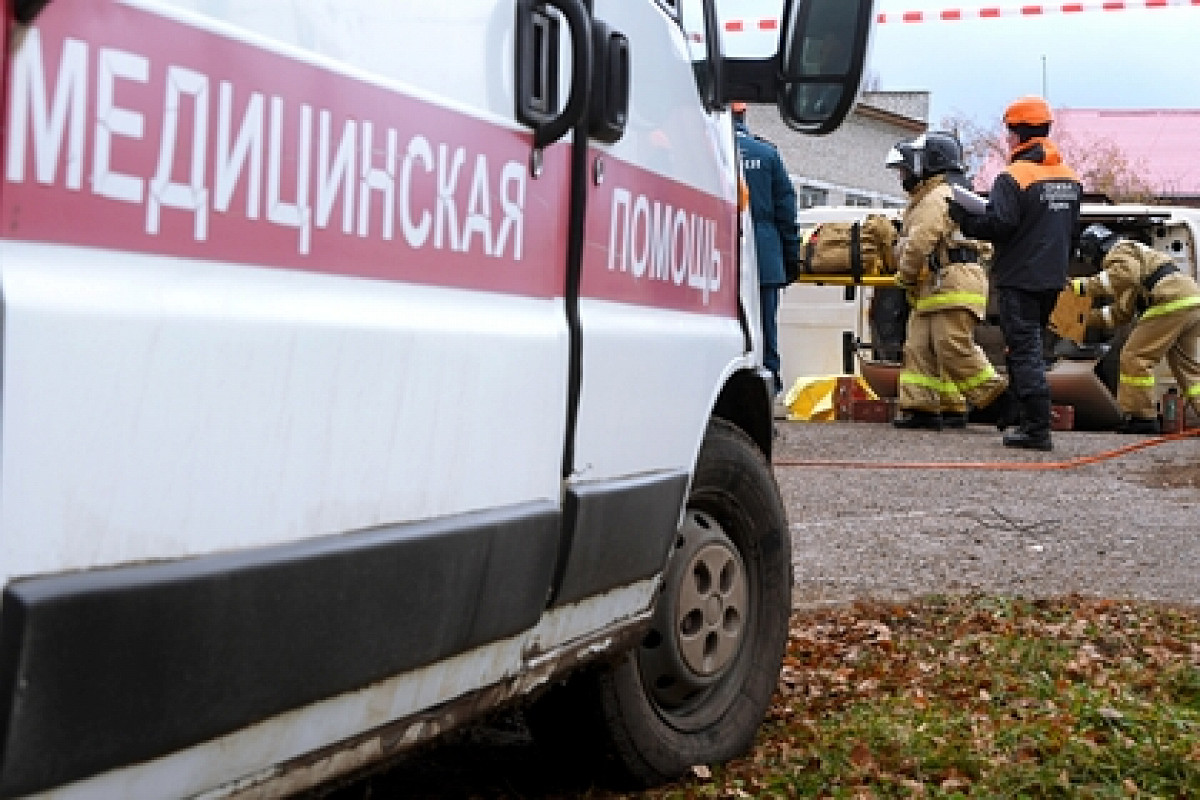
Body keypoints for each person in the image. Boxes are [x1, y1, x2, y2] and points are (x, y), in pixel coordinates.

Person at [949, 95, 1081, 451]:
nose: (1007, 139)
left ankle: (1036, 429)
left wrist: (965, 220)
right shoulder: (1070, 179)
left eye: (1009, 132)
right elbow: (1071, 230)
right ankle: (1025, 419)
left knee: (1024, 351)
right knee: (1028, 348)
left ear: (1018, 133)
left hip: (1020, 277)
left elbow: (1000, 225)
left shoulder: (1014, 177)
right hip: (1052, 277)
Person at [885, 132, 1012, 431]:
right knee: (919, 347)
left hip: (953, 282)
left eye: (905, 169)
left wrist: (904, 277)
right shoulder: (935, 195)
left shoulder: (938, 196)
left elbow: (920, 242)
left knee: (952, 346)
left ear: (928, 163)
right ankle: (924, 408)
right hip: (937, 283)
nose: (903, 176)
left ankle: (1003, 402)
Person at [1071, 223, 1200, 434]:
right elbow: (1120, 313)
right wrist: (1082, 319)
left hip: (1169, 300)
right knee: (1189, 370)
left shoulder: (1119, 251)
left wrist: (1081, 287)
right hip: (1191, 301)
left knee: (1134, 357)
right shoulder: (1136, 258)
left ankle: (1143, 418)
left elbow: (1124, 276)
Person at [733, 102, 800, 397]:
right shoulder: (766, 154)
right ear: (743, 114)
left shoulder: (707, 151)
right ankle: (767, 393)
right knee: (763, 330)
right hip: (764, 256)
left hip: (717, 254)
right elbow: (786, 212)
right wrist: (791, 258)